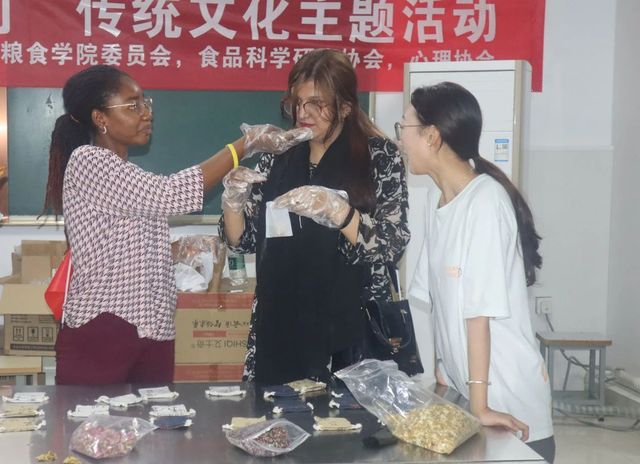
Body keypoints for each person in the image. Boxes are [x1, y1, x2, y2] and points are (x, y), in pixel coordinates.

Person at [43, 64, 310, 385]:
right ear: (100, 118)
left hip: (152, 329)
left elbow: (133, 236)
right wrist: (244, 145)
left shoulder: (127, 172)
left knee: (154, 417)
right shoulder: (89, 161)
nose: (147, 113)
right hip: (105, 329)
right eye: (132, 105)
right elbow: (171, 194)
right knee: (93, 418)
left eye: (145, 103)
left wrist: (176, 255)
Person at [220, 49, 410, 385]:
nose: (303, 113)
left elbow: (391, 245)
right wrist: (233, 201)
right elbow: (242, 240)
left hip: (352, 331)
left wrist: (339, 211)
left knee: (346, 417)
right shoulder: (278, 154)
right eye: (297, 102)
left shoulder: (379, 156)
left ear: (345, 107)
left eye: (316, 103)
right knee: (273, 413)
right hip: (280, 325)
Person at [403, 82, 555, 462]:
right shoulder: (438, 201)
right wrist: (443, 371)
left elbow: (478, 313)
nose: (400, 140)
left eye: (404, 128)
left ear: (432, 136)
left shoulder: (485, 201)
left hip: (508, 407)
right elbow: (438, 300)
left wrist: (481, 405)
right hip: (471, 398)